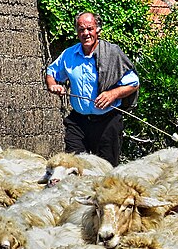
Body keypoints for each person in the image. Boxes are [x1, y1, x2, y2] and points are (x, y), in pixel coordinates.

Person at [46, 12, 139, 166]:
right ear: (77, 32)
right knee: (73, 168)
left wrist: (112, 94)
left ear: (98, 30)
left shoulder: (112, 53)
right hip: (78, 122)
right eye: (81, 29)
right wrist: (53, 85)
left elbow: (133, 82)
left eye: (90, 28)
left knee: (106, 171)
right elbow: (51, 72)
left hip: (107, 122)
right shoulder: (69, 55)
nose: (86, 33)